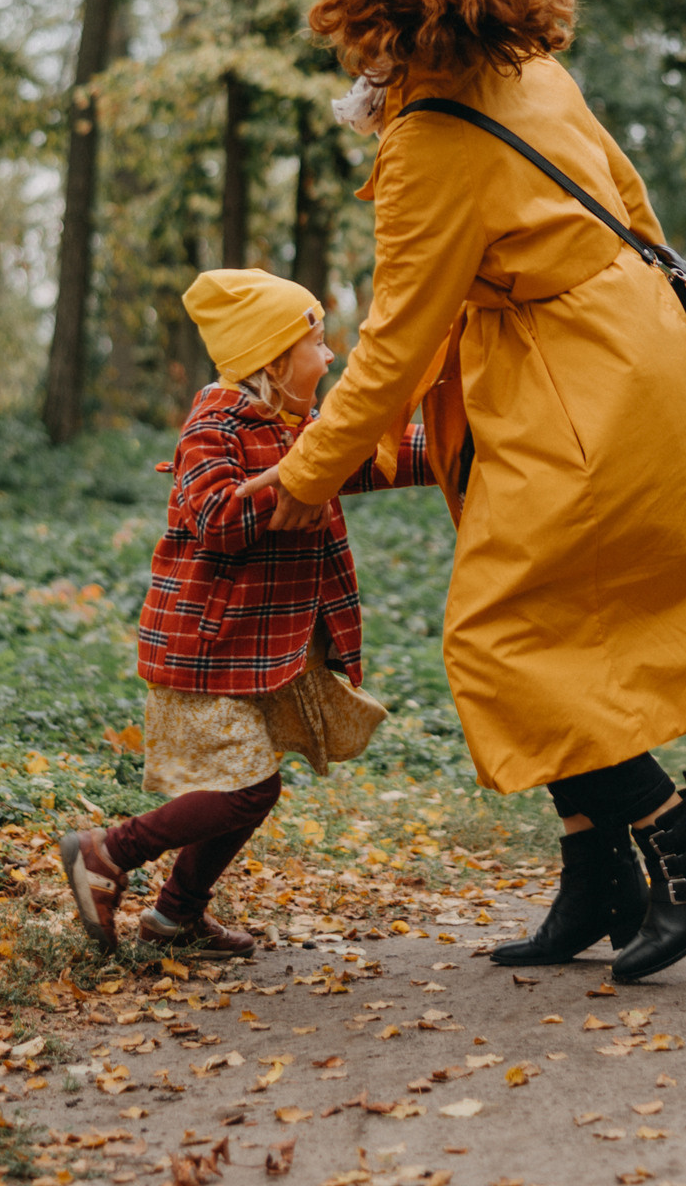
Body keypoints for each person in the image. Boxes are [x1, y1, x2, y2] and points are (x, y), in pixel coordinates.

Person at [235, 0, 686, 983]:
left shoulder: (431, 138)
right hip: (630, 361)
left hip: (562, 387)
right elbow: (635, 209)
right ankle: (600, 879)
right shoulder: (530, 68)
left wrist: (303, 475)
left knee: (503, 642)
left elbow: (393, 343)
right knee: (553, 624)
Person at [59, 269, 426, 958]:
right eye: (316, 343)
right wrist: (294, 478)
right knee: (246, 790)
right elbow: (214, 517)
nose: (329, 356)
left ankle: (175, 917)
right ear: (275, 360)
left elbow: (374, 455)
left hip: (257, 647)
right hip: (206, 641)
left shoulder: (301, 426)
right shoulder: (214, 420)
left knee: (251, 787)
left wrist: (462, 449)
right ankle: (105, 852)